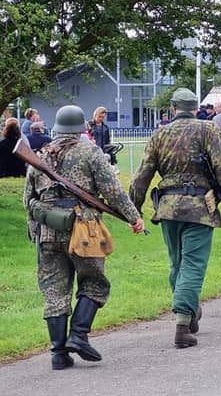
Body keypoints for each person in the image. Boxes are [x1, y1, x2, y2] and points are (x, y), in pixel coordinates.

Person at [23, 105, 144, 370]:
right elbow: (112, 191)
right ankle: (78, 335)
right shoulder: (90, 152)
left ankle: (58, 353)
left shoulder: (41, 154)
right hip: (83, 228)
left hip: (47, 230)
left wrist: (34, 229)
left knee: (54, 291)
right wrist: (134, 217)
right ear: (81, 128)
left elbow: (28, 199)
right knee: (95, 283)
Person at [130, 88, 221, 348]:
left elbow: (142, 176)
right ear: (194, 107)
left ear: (174, 108)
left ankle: (189, 310)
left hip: (167, 208)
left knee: (177, 264)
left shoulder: (159, 134)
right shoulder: (209, 130)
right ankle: (182, 322)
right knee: (193, 265)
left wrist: (133, 210)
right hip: (200, 207)